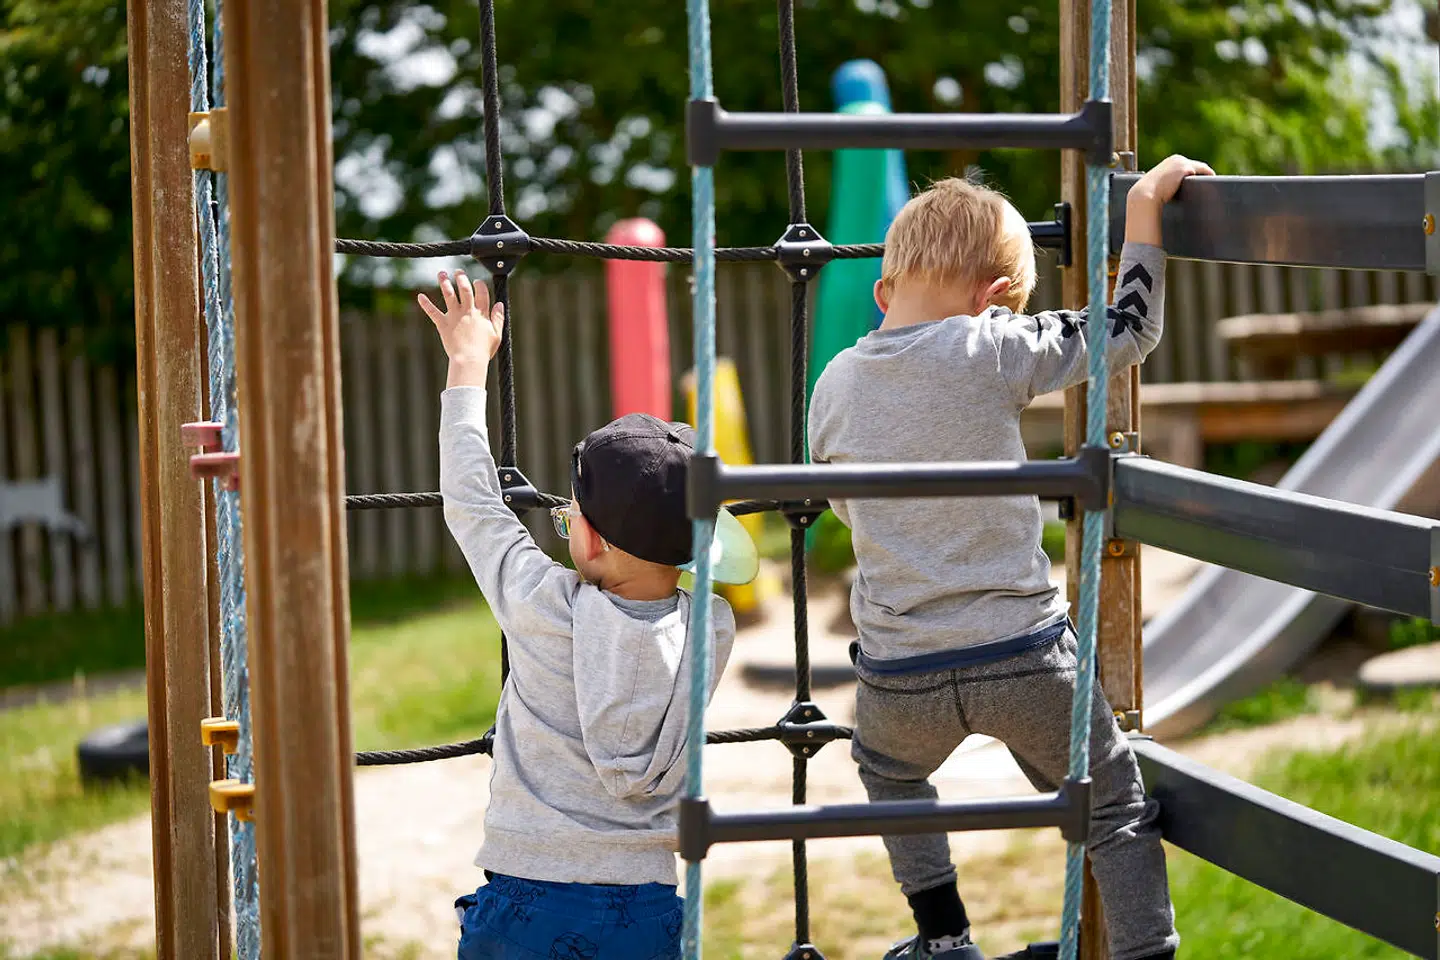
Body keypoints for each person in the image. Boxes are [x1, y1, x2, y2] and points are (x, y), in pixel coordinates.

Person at [807, 154, 1215, 960]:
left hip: (900, 672)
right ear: (995, 300)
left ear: (883, 292)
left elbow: (841, 504)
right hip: (1024, 657)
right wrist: (1141, 206)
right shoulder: (993, 346)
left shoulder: (834, 382)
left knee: (889, 779)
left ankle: (945, 937)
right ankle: (1145, 951)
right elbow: (1129, 328)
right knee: (1112, 806)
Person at [422, 269, 755, 960]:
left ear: (593, 540)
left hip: (528, 899)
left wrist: (466, 367)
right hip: (648, 908)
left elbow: (473, 505)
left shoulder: (544, 605)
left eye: (570, 512)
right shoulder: (710, 629)